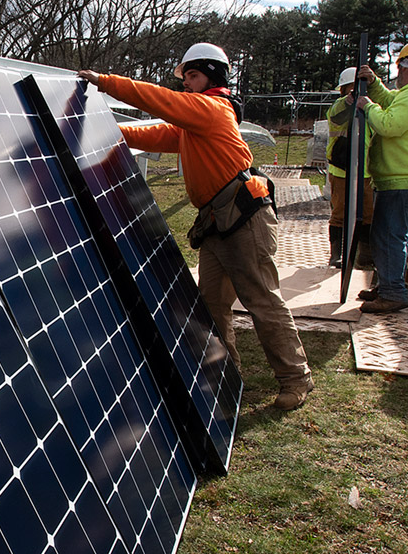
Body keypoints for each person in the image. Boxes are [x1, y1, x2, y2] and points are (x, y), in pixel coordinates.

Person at [78, 44, 314, 411]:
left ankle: (296, 378)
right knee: (213, 305)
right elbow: (155, 134)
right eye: (185, 77)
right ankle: (228, 376)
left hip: (244, 219)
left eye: (193, 76)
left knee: (261, 300)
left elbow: (163, 102)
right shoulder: (194, 124)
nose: (187, 84)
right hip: (217, 222)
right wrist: (104, 128)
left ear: (213, 76)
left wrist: (108, 83)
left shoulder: (213, 110)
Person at [355, 40, 408, 312]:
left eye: (401, 67)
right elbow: (393, 103)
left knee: (390, 235)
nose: (399, 73)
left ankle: (393, 292)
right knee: (388, 235)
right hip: (399, 175)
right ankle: (388, 285)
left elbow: (390, 124)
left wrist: (368, 106)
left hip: (402, 176)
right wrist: (376, 85)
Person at [324, 66, 374, 267]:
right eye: (352, 88)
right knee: (340, 213)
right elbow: (336, 114)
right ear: (344, 89)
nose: (356, 92)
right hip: (341, 170)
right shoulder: (339, 106)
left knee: (367, 214)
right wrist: (348, 102)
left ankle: (364, 255)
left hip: (365, 171)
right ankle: (336, 254)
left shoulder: (370, 107)